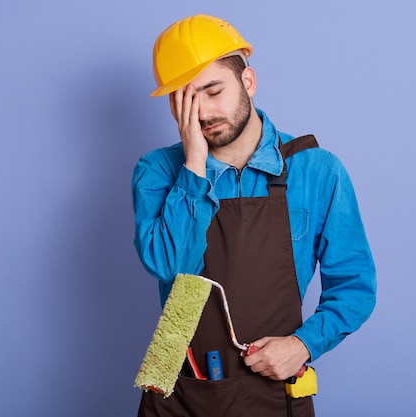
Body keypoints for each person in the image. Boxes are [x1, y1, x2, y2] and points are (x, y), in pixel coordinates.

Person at [132, 14, 376, 417]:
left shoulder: (316, 170)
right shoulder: (159, 171)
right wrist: (194, 166)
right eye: (187, 100)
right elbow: (170, 269)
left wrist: (303, 345)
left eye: (213, 91)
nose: (204, 113)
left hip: (274, 385)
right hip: (178, 383)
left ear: (248, 82)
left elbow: (354, 286)